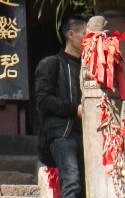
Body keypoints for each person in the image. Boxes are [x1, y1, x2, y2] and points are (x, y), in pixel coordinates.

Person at [34, 16, 88, 198]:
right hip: (61, 133)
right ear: (71, 34)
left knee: (85, 187)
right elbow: (43, 100)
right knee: (72, 182)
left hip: (85, 134)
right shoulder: (50, 63)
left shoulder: (89, 68)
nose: (88, 40)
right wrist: (75, 109)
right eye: (85, 34)